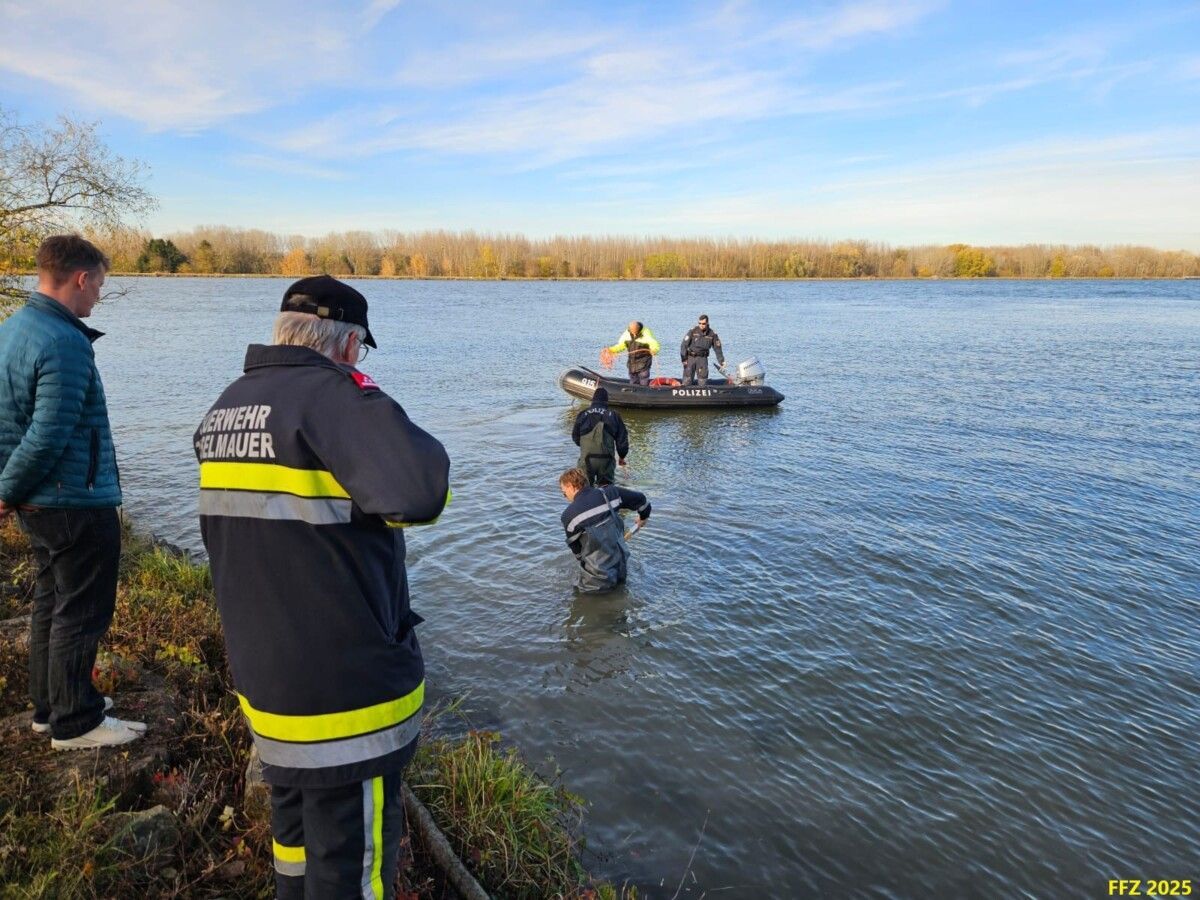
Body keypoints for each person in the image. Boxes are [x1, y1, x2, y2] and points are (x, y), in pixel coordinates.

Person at [195, 275, 450, 899]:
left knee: (296, 849)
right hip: (344, 701)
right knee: (354, 870)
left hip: (268, 684)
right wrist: (365, 398)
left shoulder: (228, 405)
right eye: (360, 349)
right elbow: (421, 490)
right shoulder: (336, 399)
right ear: (347, 343)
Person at [0, 235, 145, 750]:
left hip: (42, 501)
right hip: (71, 500)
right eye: (99, 285)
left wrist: (12, 492)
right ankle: (76, 722)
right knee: (83, 609)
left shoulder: (14, 328)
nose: (99, 297)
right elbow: (47, 432)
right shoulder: (64, 341)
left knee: (51, 600)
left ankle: (50, 705)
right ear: (81, 278)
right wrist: (5, 491)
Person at [559, 467, 650, 592]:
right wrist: (643, 517)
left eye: (564, 493)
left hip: (596, 578)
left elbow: (578, 554)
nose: (566, 497)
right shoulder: (609, 493)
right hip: (620, 567)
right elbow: (641, 500)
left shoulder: (569, 516)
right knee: (621, 592)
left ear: (571, 486)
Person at [571, 387, 629, 486]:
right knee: (607, 490)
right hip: (606, 460)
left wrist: (586, 447)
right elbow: (622, 441)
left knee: (584, 490)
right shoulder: (614, 415)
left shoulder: (583, 414)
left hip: (586, 460)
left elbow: (575, 437)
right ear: (606, 401)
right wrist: (622, 456)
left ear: (593, 400)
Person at [604, 320, 660, 386]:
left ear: (639, 329)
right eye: (632, 331)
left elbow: (654, 344)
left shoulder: (646, 333)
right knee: (633, 381)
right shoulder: (626, 334)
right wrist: (611, 350)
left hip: (644, 363)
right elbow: (621, 346)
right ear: (629, 329)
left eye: (635, 331)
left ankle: (644, 393)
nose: (634, 334)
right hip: (632, 363)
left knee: (643, 380)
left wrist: (654, 350)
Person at [679, 313, 725, 386]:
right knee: (687, 380)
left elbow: (718, 349)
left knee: (702, 381)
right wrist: (683, 359)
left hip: (702, 359)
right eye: (699, 323)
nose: (701, 325)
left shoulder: (712, 334)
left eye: (703, 323)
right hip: (690, 358)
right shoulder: (693, 331)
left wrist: (721, 361)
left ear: (707, 323)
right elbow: (684, 345)